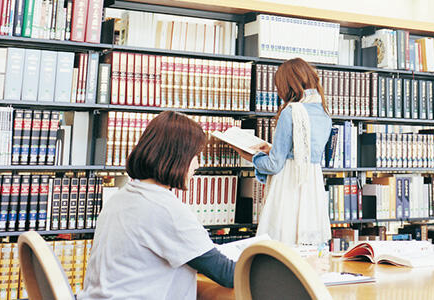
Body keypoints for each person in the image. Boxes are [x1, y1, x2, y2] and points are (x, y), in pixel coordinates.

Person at [79, 111, 234, 299]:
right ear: (179, 157)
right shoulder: (165, 209)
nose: (197, 165)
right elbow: (226, 273)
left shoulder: (120, 198)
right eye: (196, 156)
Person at [234, 58, 332, 246]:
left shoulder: (291, 112)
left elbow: (274, 164)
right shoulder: (325, 114)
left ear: (288, 84)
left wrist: (251, 156)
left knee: (280, 246)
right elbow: (303, 153)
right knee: (306, 252)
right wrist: (272, 149)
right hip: (312, 187)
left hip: (288, 186)